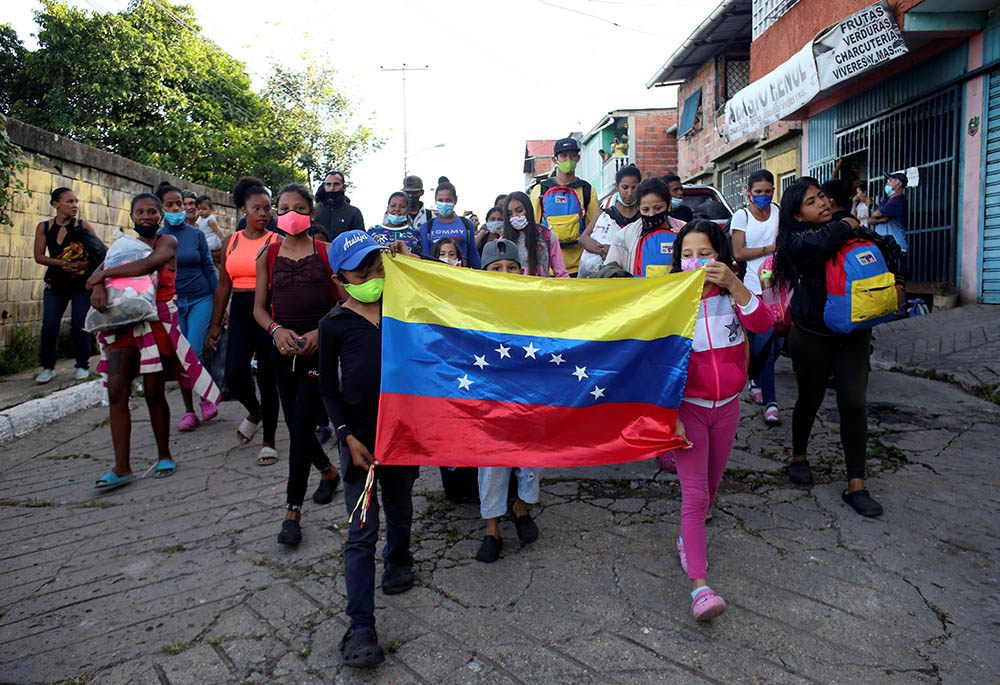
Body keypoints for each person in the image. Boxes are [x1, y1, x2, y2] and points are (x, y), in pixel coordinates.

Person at [318, 231, 419, 668]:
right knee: (361, 532)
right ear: (341, 279)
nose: (374, 276)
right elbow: (327, 386)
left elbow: (448, 284)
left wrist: (410, 258)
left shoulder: (405, 308)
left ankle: (399, 557)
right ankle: (361, 627)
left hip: (403, 435)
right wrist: (346, 436)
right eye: (362, 270)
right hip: (360, 444)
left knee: (400, 505)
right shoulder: (333, 325)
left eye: (378, 267)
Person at [773, 178, 899, 517]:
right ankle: (799, 456)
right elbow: (824, 241)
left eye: (823, 197)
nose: (823, 204)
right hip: (812, 334)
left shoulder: (849, 230)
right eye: (812, 202)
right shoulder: (797, 240)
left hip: (854, 334)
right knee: (810, 399)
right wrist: (848, 222)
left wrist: (897, 284)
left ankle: (856, 483)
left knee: (854, 403)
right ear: (797, 215)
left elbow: (889, 250)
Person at [667, 219, 774, 621]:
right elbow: (661, 367)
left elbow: (763, 325)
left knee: (709, 494)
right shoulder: (671, 301)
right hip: (690, 410)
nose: (696, 262)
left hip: (728, 407)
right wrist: (671, 416)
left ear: (721, 257)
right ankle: (700, 587)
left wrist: (735, 284)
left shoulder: (733, 294)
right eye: (687, 255)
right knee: (694, 497)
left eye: (705, 254)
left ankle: (686, 541)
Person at [87, 192, 220, 489]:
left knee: (153, 392)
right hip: (122, 326)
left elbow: (147, 266)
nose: (145, 216)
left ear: (159, 217)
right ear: (132, 217)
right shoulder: (121, 248)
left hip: (156, 326)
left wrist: (101, 277)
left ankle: (164, 455)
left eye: (151, 212)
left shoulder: (167, 243)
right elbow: (96, 276)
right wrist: (97, 285)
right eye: (139, 212)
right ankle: (121, 467)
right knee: (118, 392)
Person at [254, 184, 342, 546]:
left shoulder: (326, 253)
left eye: (299, 207)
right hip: (281, 351)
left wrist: (322, 332)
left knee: (302, 424)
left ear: (311, 213)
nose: (291, 213)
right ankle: (327, 470)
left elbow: (344, 301)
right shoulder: (267, 255)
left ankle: (292, 511)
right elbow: (259, 308)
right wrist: (275, 331)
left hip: (317, 352)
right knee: (295, 425)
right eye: (284, 207)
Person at [206, 177, 281, 465]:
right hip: (239, 310)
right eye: (257, 209)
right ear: (243, 210)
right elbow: (224, 284)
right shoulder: (231, 242)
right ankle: (255, 411)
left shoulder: (276, 242)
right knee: (234, 374)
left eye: (267, 209)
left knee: (267, 376)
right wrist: (215, 324)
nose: (263, 214)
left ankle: (269, 440)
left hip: (268, 309)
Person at [474, 238, 539, 563]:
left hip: (528, 397)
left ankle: (522, 507)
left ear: (521, 270)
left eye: (511, 268)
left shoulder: (534, 304)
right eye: (496, 268)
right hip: (489, 400)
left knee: (531, 460)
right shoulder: (472, 308)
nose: (504, 273)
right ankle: (492, 527)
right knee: (491, 464)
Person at [154, 182, 219, 431]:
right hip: (172, 304)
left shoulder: (197, 235)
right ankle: (189, 411)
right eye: (170, 204)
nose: (176, 208)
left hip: (202, 298)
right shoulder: (158, 238)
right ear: (162, 209)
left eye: (179, 204)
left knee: (193, 350)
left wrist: (219, 306)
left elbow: (209, 270)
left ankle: (206, 399)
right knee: (181, 356)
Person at [33, 187, 106, 383]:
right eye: (69, 201)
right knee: (49, 325)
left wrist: (85, 264)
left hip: (82, 285)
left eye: (76, 201)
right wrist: (61, 264)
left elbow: (100, 253)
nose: (75, 206)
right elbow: (39, 256)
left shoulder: (83, 226)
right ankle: (48, 367)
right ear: (56, 204)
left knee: (79, 325)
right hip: (56, 285)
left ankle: (82, 365)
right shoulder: (45, 227)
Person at [731, 170, 781, 425]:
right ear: (749, 192)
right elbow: (738, 252)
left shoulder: (779, 212)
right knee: (766, 340)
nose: (763, 196)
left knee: (777, 343)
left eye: (768, 191)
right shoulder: (742, 217)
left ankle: (755, 377)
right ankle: (771, 402)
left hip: (779, 288)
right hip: (754, 288)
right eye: (758, 192)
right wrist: (768, 249)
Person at [530, 138, 600, 275]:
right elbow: (533, 228)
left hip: (580, 267)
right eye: (563, 156)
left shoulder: (587, 190)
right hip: (548, 268)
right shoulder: (540, 190)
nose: (568, 160)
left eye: (572, 155)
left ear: (578, 158)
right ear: (555, 160)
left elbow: (595, 229)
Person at [605, 177, 685, 276]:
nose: (651, 214)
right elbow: (609, 269)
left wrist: (687, 238)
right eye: (645, 209)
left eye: (657, 208)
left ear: (668, 205)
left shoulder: (685, 229)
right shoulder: (624, 236)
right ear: (638, 208)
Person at [579, 164, 641, 278]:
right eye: (625, 187)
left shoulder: (642, 218)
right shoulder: (603, 215)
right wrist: (603, 250)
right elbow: (584, 238)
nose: (630, 193)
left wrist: (613, 250)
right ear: (617, 186)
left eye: (634, 188)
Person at [502, 191, 568, 278]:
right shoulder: (502, 241)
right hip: (514, 290)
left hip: (543, 289)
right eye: (510, 214)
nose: (515, 216)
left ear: (528, 210)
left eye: (519, 211)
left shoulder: (547, 236)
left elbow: (561, 273)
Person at [419, 181, 482, 269]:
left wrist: (479, 276)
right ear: (435, 201)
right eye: (440, 200)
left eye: (448, 200)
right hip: (437, 275)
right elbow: (425, 258)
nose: (444, 203)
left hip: (461, 275)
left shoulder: (467, 224)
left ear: (455, 200)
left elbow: (473, 254)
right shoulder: (426, 227)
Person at [312, 170, 365, 241]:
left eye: (336, 184)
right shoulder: (315, 212)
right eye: (328, 184)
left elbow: (360, 240)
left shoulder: (354, 213)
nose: (332, 188)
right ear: (324, 186)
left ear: (344, 187)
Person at [869, 172, 908, 253]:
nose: (887, 183)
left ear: (899, 184)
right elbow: (871, 219)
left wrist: (877, 217)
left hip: (895, 246)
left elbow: (877, 214)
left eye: (890, 181)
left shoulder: (899, 200)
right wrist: (880, 220)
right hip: (883, 246)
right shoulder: (886, 201)